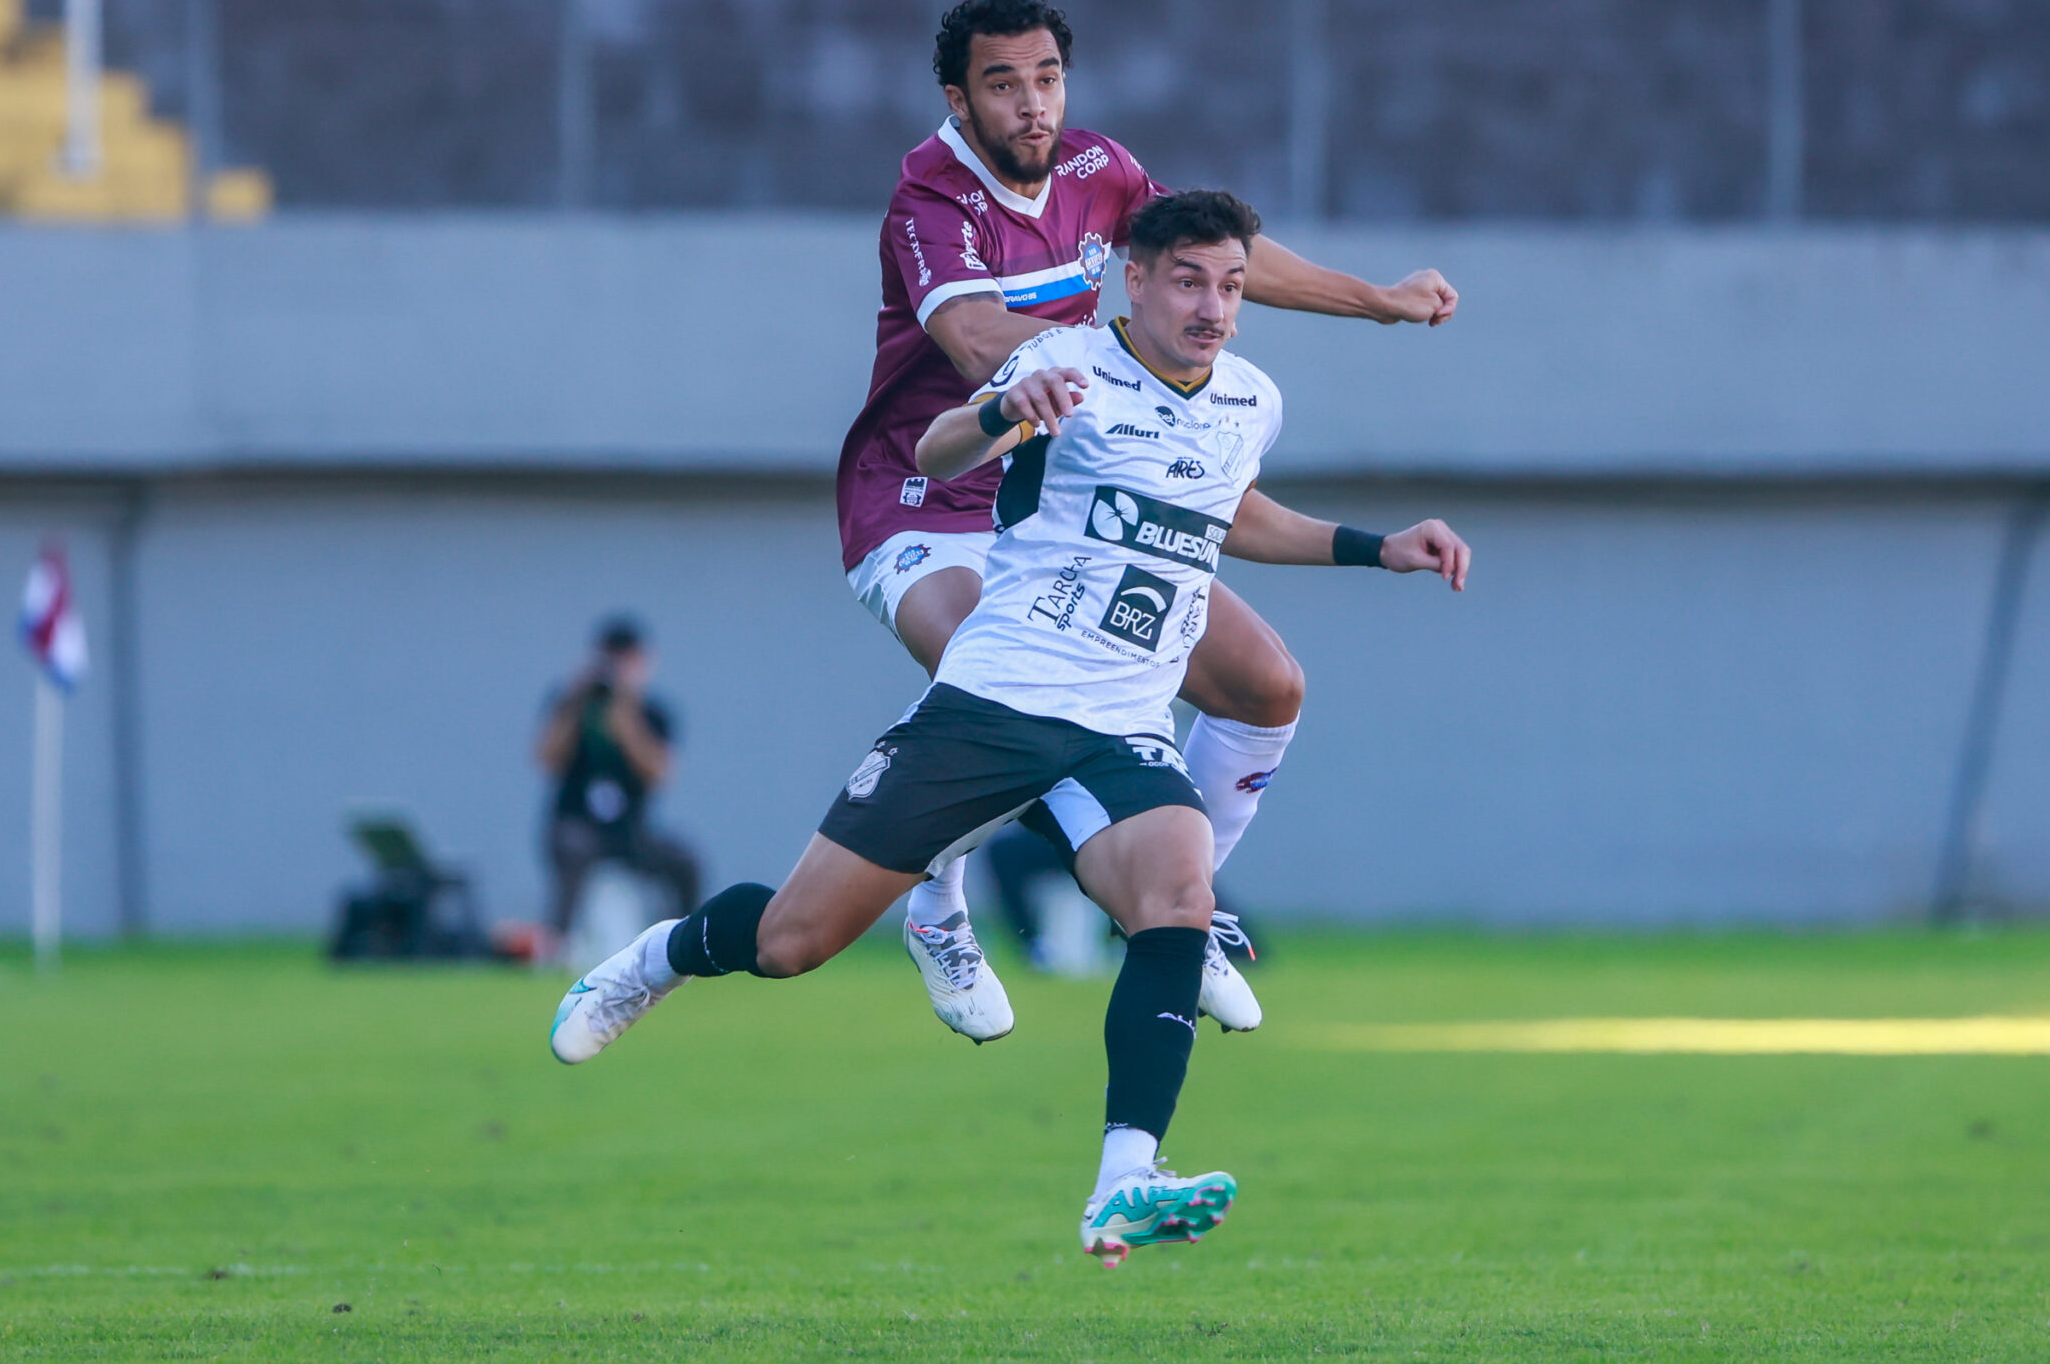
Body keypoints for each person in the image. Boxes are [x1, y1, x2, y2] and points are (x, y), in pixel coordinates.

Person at [553, 192, 1470, 1265]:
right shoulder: (1069, 360)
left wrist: (1377, 547)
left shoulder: (1250, 399)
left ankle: (1126, 1179)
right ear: (1134, 277)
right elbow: (939, 452)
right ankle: (654, 960)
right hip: (992, 706)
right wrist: (1003, 409)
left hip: (1124, 723)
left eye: (1229, 284)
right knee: (790, 943)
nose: (1213, 306)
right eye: (1187, 281)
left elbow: (1230, 514)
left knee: (1180, 895)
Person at [843, 0, 1460, 1043]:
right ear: (957, 97)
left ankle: (1182, 911)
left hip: (1073, 496)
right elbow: (988, 348)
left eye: (1047, 77)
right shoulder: (929, 205)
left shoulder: (1099, 169)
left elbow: (1216, 250)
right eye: (1002, 84)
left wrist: (1380, 300)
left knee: (1267, 686)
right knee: (996, 686)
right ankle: (937, 903)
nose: (1032, 104)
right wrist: (1115, 392)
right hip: (930, 494)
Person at [535, 617, 701, 941]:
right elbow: (547, 759)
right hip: (576, 823)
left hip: (631, 831)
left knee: (685, 861)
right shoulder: (570, 704)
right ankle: (558, 943)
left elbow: (658, 773)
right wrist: (576, 700)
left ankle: (684, 941)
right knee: (571, 852)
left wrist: (625, 708)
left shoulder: (653, 712)